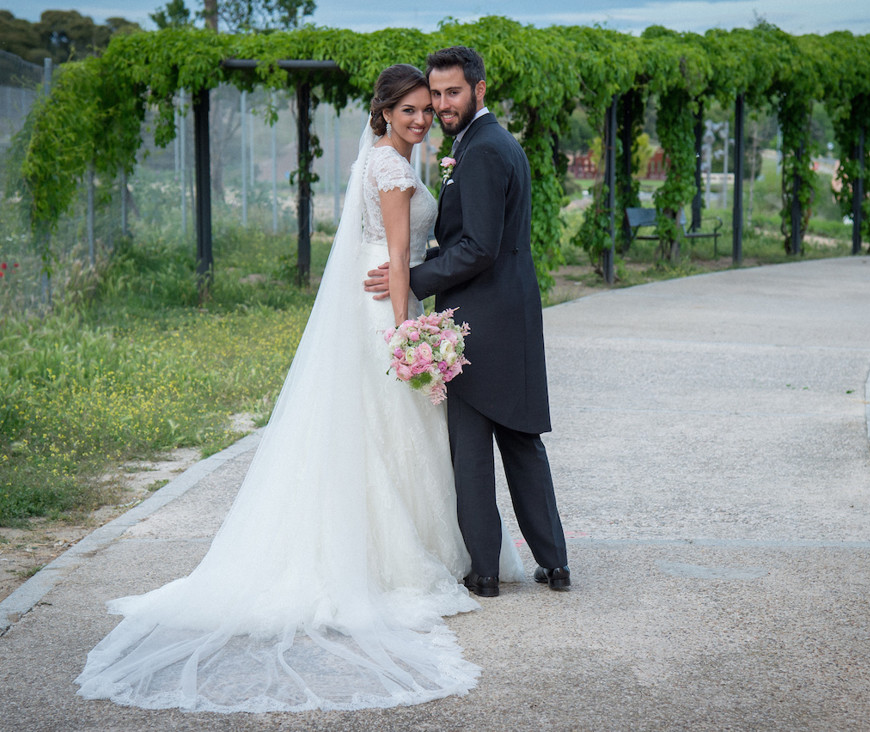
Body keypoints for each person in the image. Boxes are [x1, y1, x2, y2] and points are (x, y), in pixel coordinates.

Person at [74, 64, 521, 714]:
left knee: (384, 435)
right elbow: (396, 259)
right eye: (411, 111)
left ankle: (403, 548)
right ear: (385, 114)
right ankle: (394, 562)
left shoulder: (389, 159)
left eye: (429, 109)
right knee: (391, 430)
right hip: (386, 305)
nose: (423, 119)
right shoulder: (393, 170)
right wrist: (406, 336)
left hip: (380, 294)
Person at [365, 47, 569, 598]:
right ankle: (555, 563)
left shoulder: (479, 151)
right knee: (522, 442)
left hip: (478, 319)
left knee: (473, 449)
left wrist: (413, 276)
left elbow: (477, 247)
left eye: (452, 92)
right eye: (435, 94)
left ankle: (484, 572)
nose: (440, 104)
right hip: (515, 313)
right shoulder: (495, 143)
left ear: (479, 89)